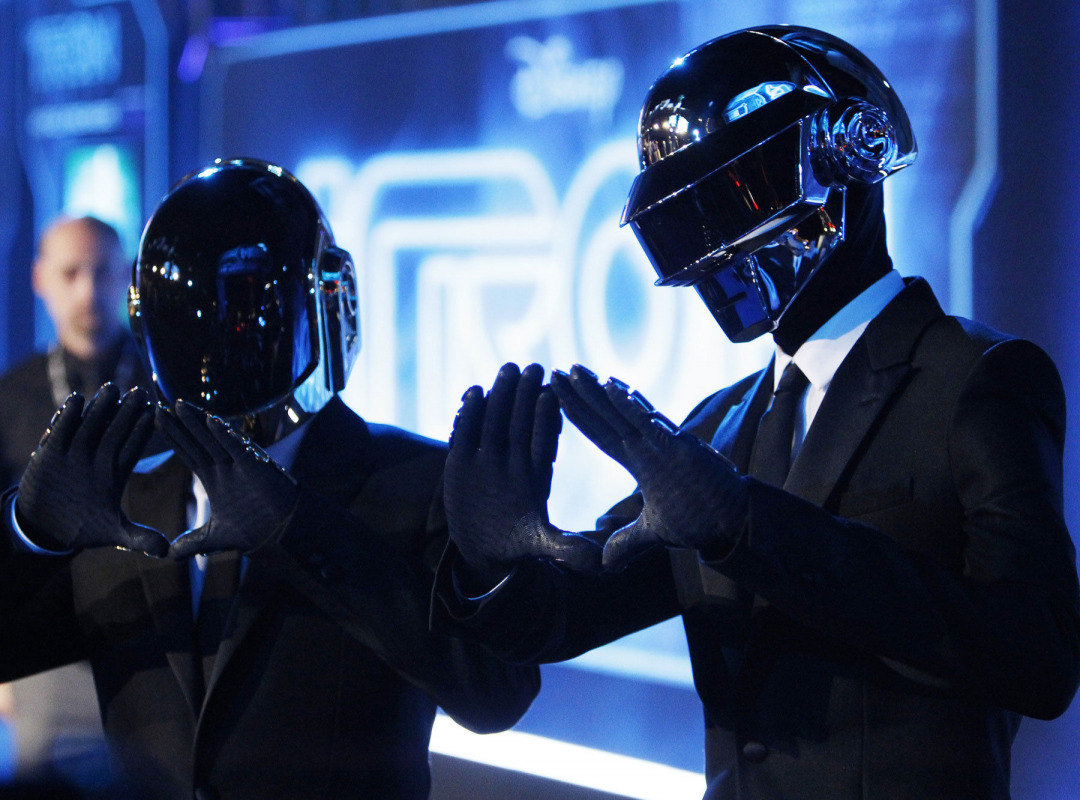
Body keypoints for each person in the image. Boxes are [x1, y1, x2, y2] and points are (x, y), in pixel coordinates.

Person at [433, 25, 1080, 799]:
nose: (718, 247)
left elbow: (1038, 658)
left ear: (850, 153)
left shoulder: (977, 378)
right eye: (689, 217)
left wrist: (749, 526)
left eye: (741, 194)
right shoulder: (716, 429)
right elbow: (564, 619)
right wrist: (493, 562)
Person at [0, 158, 539, 800]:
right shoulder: (126, 506)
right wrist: (27, 531)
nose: (228, 335)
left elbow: (494, 692)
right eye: (194, 312)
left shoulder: (419, 483)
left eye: (251, 304)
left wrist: (299, 529)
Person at [0, 214, 146, 793]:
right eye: (70, 272)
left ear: (127, 278)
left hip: (152, 641)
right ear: (39, 278)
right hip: (43, 652)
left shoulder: (163, 383)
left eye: (102, 272)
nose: (86, 290)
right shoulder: (10, 393)